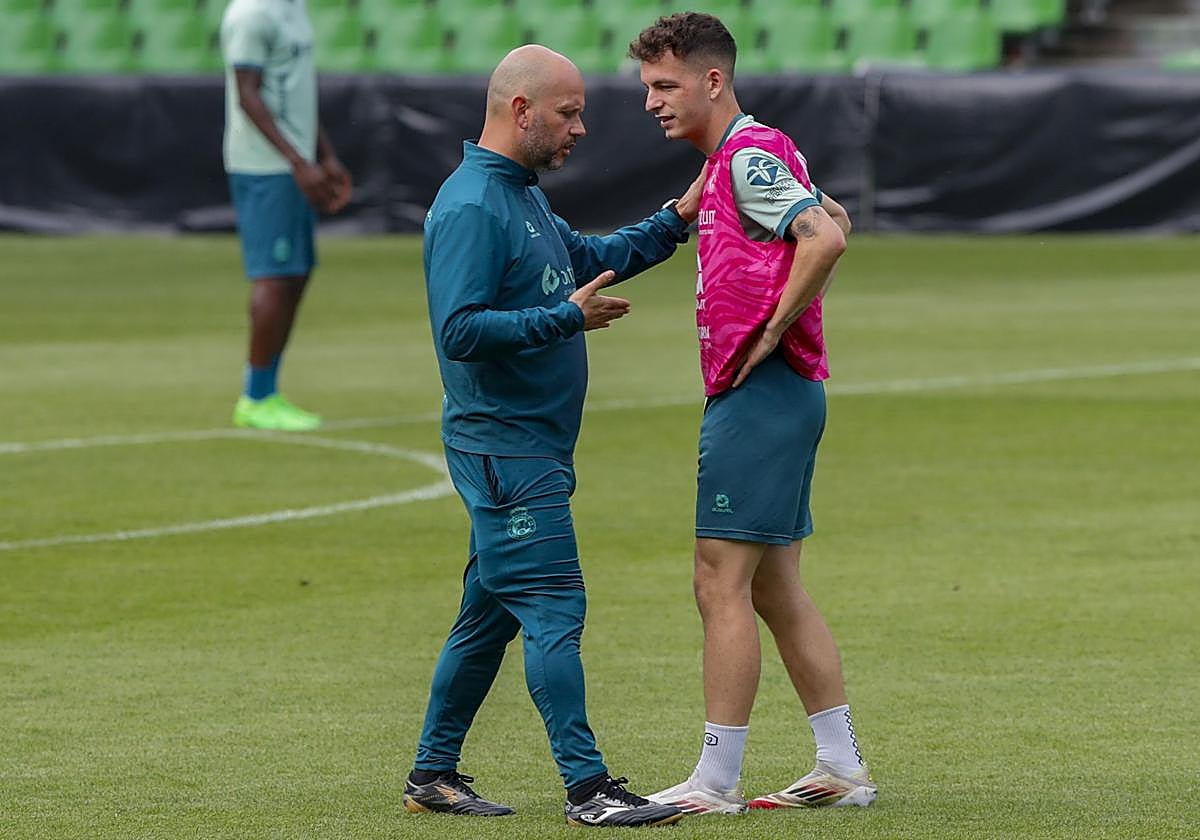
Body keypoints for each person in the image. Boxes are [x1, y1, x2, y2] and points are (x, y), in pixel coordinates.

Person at [404, 44, 705, 828]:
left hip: (528, 447)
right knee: (551, 604)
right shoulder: (472, 204)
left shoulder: (521, 196)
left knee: (489, 615)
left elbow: (593, 259)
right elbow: (459, 332)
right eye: (569, 113)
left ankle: (432, 774)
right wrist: (566, 318)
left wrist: (677, 219)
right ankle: (588, 789)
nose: (581, 128)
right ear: (520, 111)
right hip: (504, 449)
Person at [627, 13, 875, 815]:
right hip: (784, 395)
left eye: (665, 87)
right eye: (646, 88)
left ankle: (716, 781)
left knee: (718, 580)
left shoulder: (748, 156)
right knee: (773, 587)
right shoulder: (755, 152)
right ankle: (840, 767)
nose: (653, 103)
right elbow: (835, 216)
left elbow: (822, 240)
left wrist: (774, 326)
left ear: (712, 80)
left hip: (760, 395)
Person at [221, 0, 352, 431]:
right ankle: (255, 398)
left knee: (294, 275)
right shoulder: (252, 14)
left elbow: (295, 93)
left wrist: (325, 156)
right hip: (264, 168)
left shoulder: (292, 8)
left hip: (291, 164)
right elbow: (247, 95)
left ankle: (266, 390)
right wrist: (299, 162)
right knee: (274, 277)